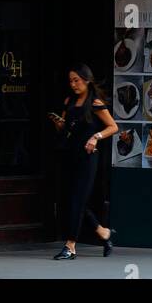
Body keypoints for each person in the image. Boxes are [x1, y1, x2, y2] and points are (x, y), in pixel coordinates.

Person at [48, 64, 118, 260]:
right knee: (73, 200)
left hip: (88, 157)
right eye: (70, 81)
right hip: (70, 155)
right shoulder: (68, 101)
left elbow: (113, 127)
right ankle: (104, 233)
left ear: (86, 80)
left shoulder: (95, 103)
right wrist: (58, 123)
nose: (73, 84)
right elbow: (65, 128)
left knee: (78, 200)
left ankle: (70, 246)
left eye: (76, 80)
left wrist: (96, 136)